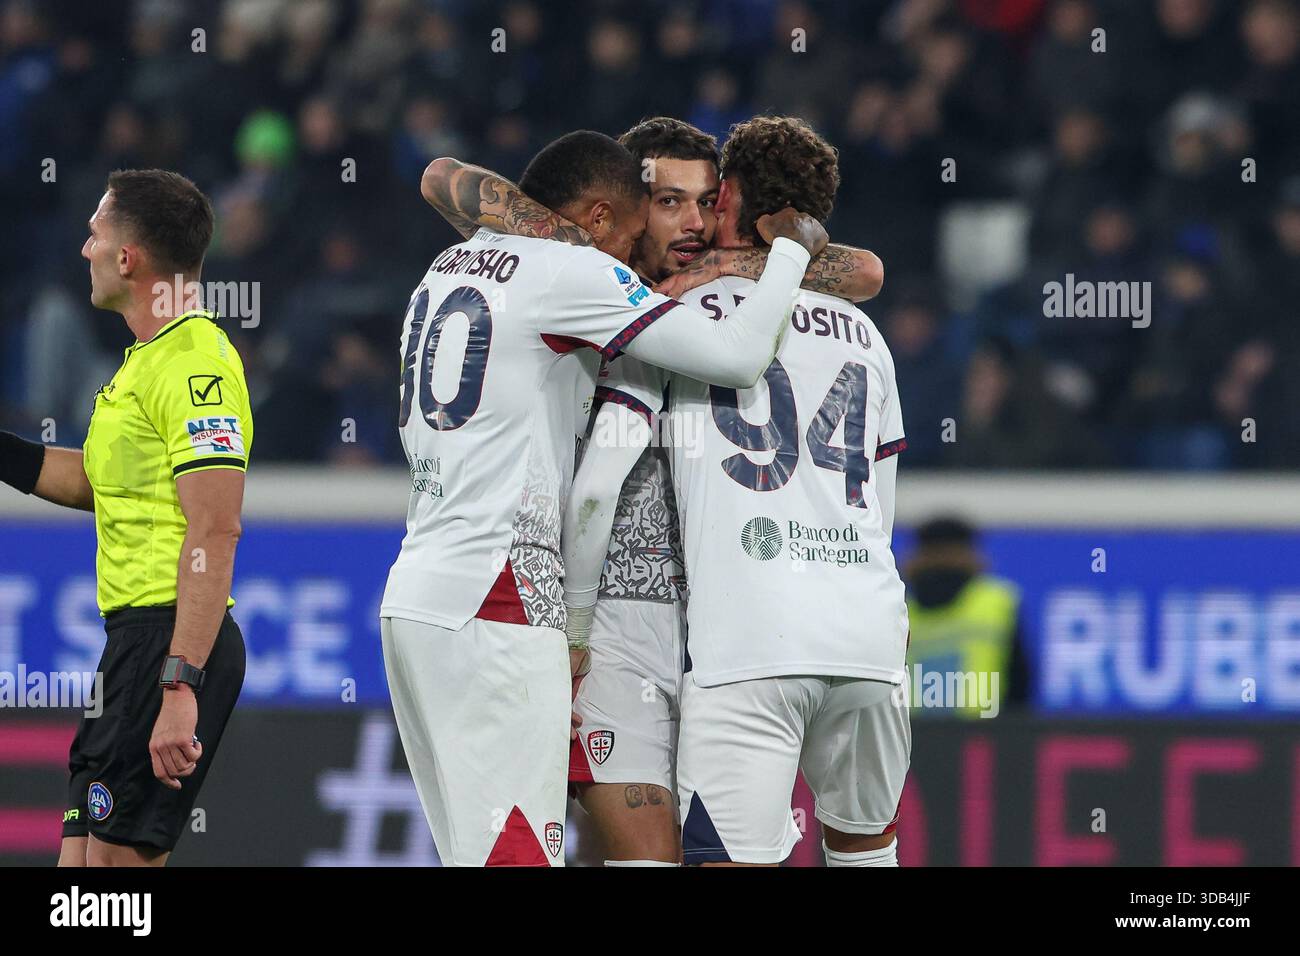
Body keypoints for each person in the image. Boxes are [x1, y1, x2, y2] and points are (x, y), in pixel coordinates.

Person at [420, 115, 885, 866]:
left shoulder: (712, 294)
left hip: (720, 638)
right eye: (668, 202)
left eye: (707, 201)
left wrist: (725, 270)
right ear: (622, 211)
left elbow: (865, 271)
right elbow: (442, 178)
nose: (694, 222)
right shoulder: (588, 288)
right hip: (611, 627)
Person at [563, 116, 911, 866]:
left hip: (751, 643)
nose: (698, 220)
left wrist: (571, 629)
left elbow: (596, 485)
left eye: (713, 199)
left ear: (740, 208)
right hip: (872, 637)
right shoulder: (868, 336)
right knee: (864, 844)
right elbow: (880, 506)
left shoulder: (672, 319)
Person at [0, 169, 250, 866]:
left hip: (169, 641)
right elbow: (96, 483)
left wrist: (180, 684)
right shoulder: (144, 363)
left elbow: (215, 528)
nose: (84, 249)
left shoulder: (198, 367)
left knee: (113, 892)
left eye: (94, 234)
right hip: (132, 645)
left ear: (127, 258)